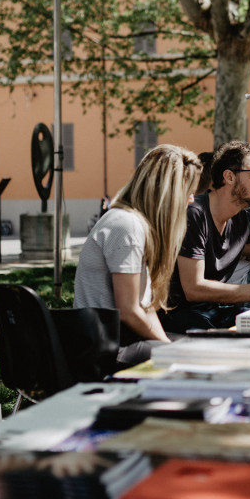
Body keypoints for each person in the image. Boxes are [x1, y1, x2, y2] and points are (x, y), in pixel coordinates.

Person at [74, 145, 203, 368]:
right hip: (106, 347)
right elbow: (128, 310)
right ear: (168, 192)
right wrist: (169, 349)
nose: (192, 199)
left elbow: (145, 307)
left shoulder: (135, 224)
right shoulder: (127, 226)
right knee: (192, 358)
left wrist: (166, 344)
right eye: (189, 190)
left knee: (198, 349)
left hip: (118, 339)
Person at [161, 141, 250, 333]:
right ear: (229, 176)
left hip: (217, 311)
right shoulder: (195, 214)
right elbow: (193, 288)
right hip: (184, 317)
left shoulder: (242, 220)